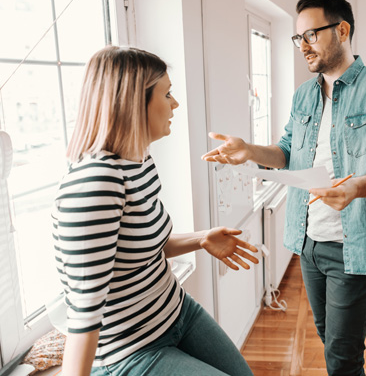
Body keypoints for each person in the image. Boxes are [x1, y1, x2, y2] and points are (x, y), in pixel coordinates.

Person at [202, 0, 366, 375]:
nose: (302, 45)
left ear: (342, 29)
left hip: (356, 245)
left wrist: (356, 187)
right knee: (330, 338)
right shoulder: (304, 94)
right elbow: (288, 151)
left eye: (311, 34)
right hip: (308, 241)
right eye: (297, 37)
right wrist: (249, 151)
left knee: (341, 356)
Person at [52, 46, 258, 376]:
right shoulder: (95, 183)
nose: (175, 103)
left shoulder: (140, 162)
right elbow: (84, 311)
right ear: (134, 102)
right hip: (129, 350)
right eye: (168, 93)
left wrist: (202, 238)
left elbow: (144, 246)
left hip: (175, 311)